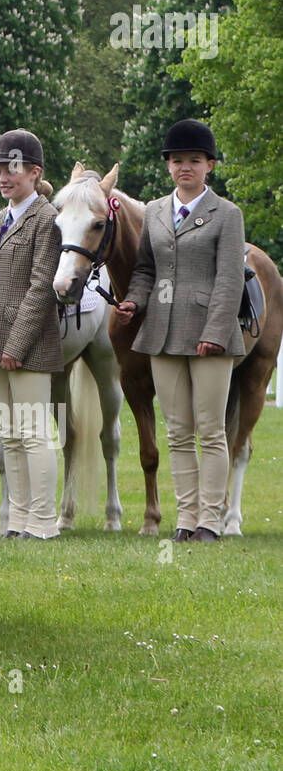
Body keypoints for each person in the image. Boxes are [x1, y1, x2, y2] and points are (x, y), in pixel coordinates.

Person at [116, 119, 245, 543]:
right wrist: (134, 300)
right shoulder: (153, 211)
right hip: (161, 333)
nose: (184, 167)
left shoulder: (227, 214)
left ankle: (210, 519)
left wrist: (216, 331)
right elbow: (146, 270)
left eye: (193, 160)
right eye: (177, 160)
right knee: (177, 432)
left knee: (210, 430)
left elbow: (229, 279)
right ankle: (185, 520)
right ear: (168, 165)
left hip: (210, 335)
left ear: (209, 165)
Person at [0, 130, 63, 539]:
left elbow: (41, 287)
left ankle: (42, 522)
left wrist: (15, 346)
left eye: (13, 169)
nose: (4, 176)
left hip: (29, 344)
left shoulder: (48, 219)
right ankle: (19, 520)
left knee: (34, 432)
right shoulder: (3, 218)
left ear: (34, 171)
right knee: (10, 435)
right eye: (0, 169)